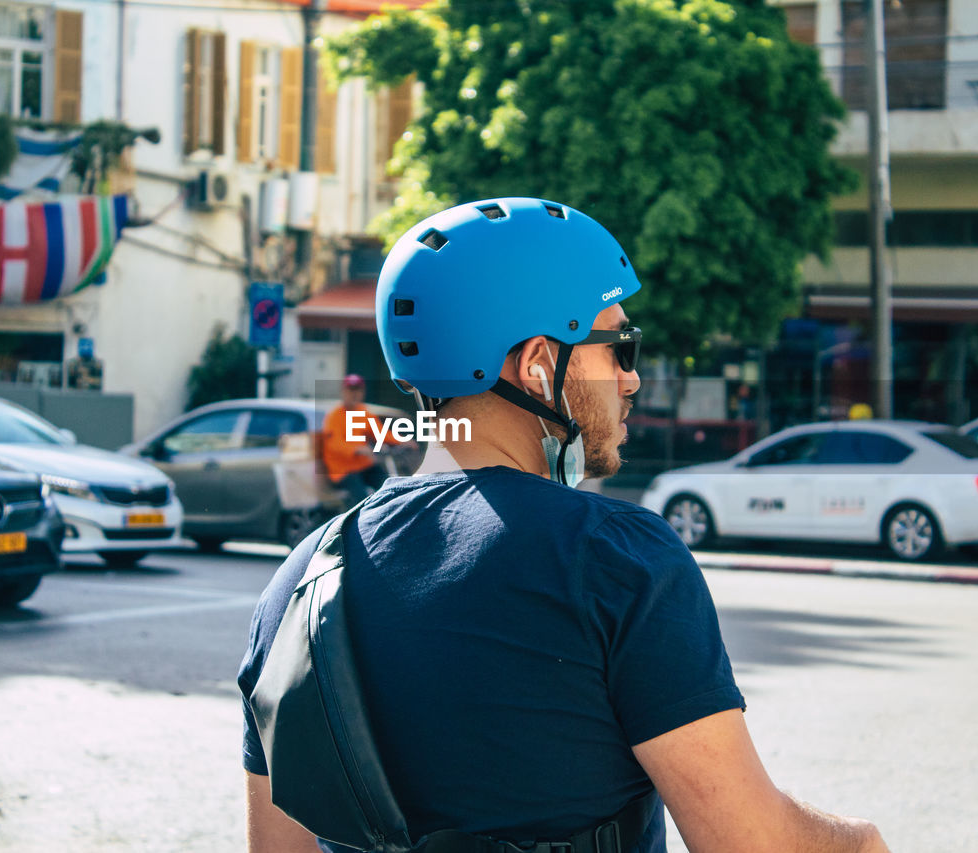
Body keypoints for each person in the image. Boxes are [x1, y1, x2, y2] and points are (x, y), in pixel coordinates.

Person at [239, 198, 890, 853]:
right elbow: (753, 843)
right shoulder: (613, 557)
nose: (632, 379)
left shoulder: (301, 579)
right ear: (539, 365)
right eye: (619, 347)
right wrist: (861, 841)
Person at [320, 373, 406, 504]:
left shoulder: (364, 412)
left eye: (358, 390)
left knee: (387, 485)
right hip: (343, 471)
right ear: (344, 392)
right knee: (361, 499)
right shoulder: (334, 416)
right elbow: (334, 444)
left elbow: (380, 433)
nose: (354, 394)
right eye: (351, 390)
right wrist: (357, 449)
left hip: (363, 466)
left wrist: (403, 440)